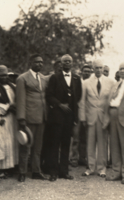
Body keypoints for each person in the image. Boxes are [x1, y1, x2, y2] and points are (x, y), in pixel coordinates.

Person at [46, 54, 82, 182]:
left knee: (66, 144)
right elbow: (49, 95)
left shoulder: (77, 78)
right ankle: (53, 172)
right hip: (57, 116)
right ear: (61, 64)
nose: (67, 63)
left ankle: (64, 171)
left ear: (72, 63)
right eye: (65, 61)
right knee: (55, 144)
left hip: (69, 116)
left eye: (70, 61)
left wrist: (71, 110)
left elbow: (78, 96)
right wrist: (60, 105)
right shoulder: (54, 78)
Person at [79, 59, 114, 177]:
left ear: (103, 69)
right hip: (90, 116)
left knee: (102, 143)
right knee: (90, 143)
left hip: (104, 117)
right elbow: (82, 101)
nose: (99, 70)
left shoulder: (111, 82)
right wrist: (82, 117)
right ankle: (90, 167)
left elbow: (111, 101)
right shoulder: (86, 83)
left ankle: (102, 168)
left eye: (101, 68)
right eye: (97, 68)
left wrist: (109, 117)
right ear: (93, 69)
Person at [16, 54, 48, 182]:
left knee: (38, 147)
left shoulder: (43, 78)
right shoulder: (22, 78)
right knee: (25, 146)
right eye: (36, 62)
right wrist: (21, 118)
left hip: (41, 118)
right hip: (28, 117)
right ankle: (22, 172)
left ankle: (36, 171)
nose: (39, 64)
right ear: (31, 63)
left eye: (41, 62)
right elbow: (20, 99)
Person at [70, 64, 92, 167]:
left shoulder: (92, 83)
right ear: (81, 72)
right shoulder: (77, 82)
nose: (87, 73)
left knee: (85, 137)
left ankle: (83, 158)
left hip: (88, 113)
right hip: (77, 112)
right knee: (76, 136)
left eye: (88, 71)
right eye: (85, 71)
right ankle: (74, 158)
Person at [0, 65, 18, 178]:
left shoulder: (13, 86)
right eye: (1, 76)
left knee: (12, 142)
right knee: (2, 144)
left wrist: (14, 107)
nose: (4, 77)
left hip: (13, 118)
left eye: (5, 75)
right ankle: (1, 169)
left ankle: (11, 167)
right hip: (2, 118)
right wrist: (7, 108)